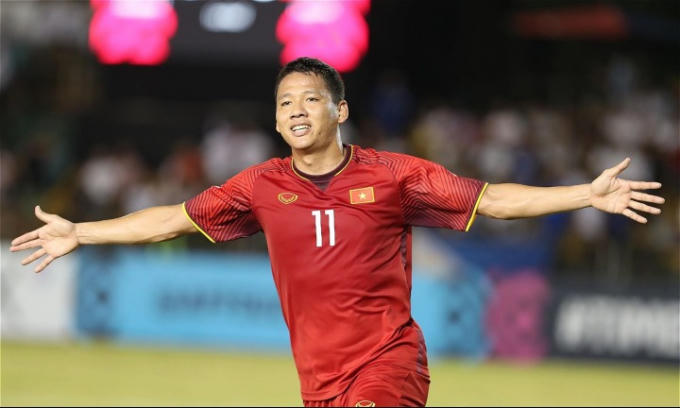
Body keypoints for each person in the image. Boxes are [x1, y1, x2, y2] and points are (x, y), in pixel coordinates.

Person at [10, 57, 665, 407]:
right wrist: (81, 233)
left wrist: (586, 194)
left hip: (389, 363)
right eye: (285, 102)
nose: (296, 110)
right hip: (318, 382)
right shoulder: (258, 185)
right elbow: (170, 220)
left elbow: (492, 201)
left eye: (310, 99)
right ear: (276, 120)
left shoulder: (395, 175)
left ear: (340, 110)